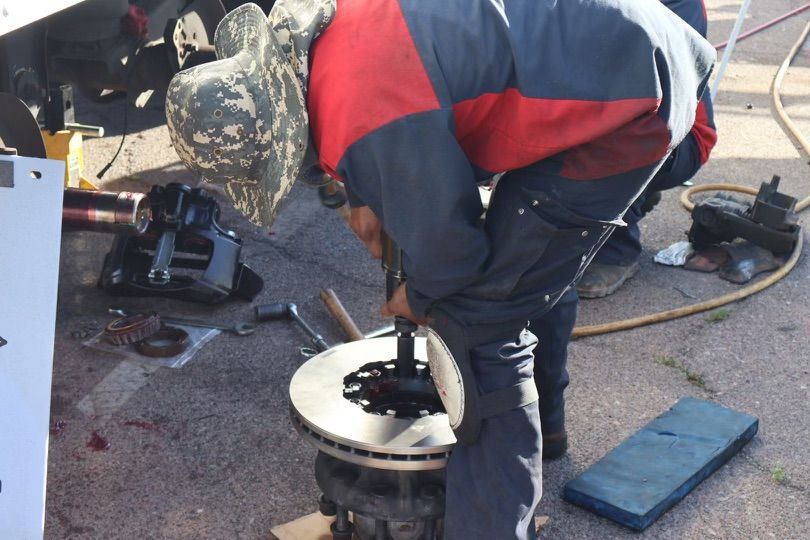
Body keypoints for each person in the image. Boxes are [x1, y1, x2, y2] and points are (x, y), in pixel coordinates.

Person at [164, 1, 715, 538]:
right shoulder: (331, 41)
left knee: (479, 325)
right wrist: (369, 187)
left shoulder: (368, 121)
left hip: (636, 107)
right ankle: (544, 431)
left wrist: (421, 296)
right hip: (620, 57)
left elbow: (454, 260)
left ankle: (493, 521)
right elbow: (408, 105)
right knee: (521, 273)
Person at [534, 0, 719, 462]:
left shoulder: (669, 8)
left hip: (665, 127)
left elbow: (630, 95)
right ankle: (613, 203)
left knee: (551, 242)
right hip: (591, 114)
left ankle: (617, 238)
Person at [576, 0, 718, 299]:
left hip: (674, 131)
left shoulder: (678, 4)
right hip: (606, 109)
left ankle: (617, 246)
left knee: (595, 132)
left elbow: (642, 86)